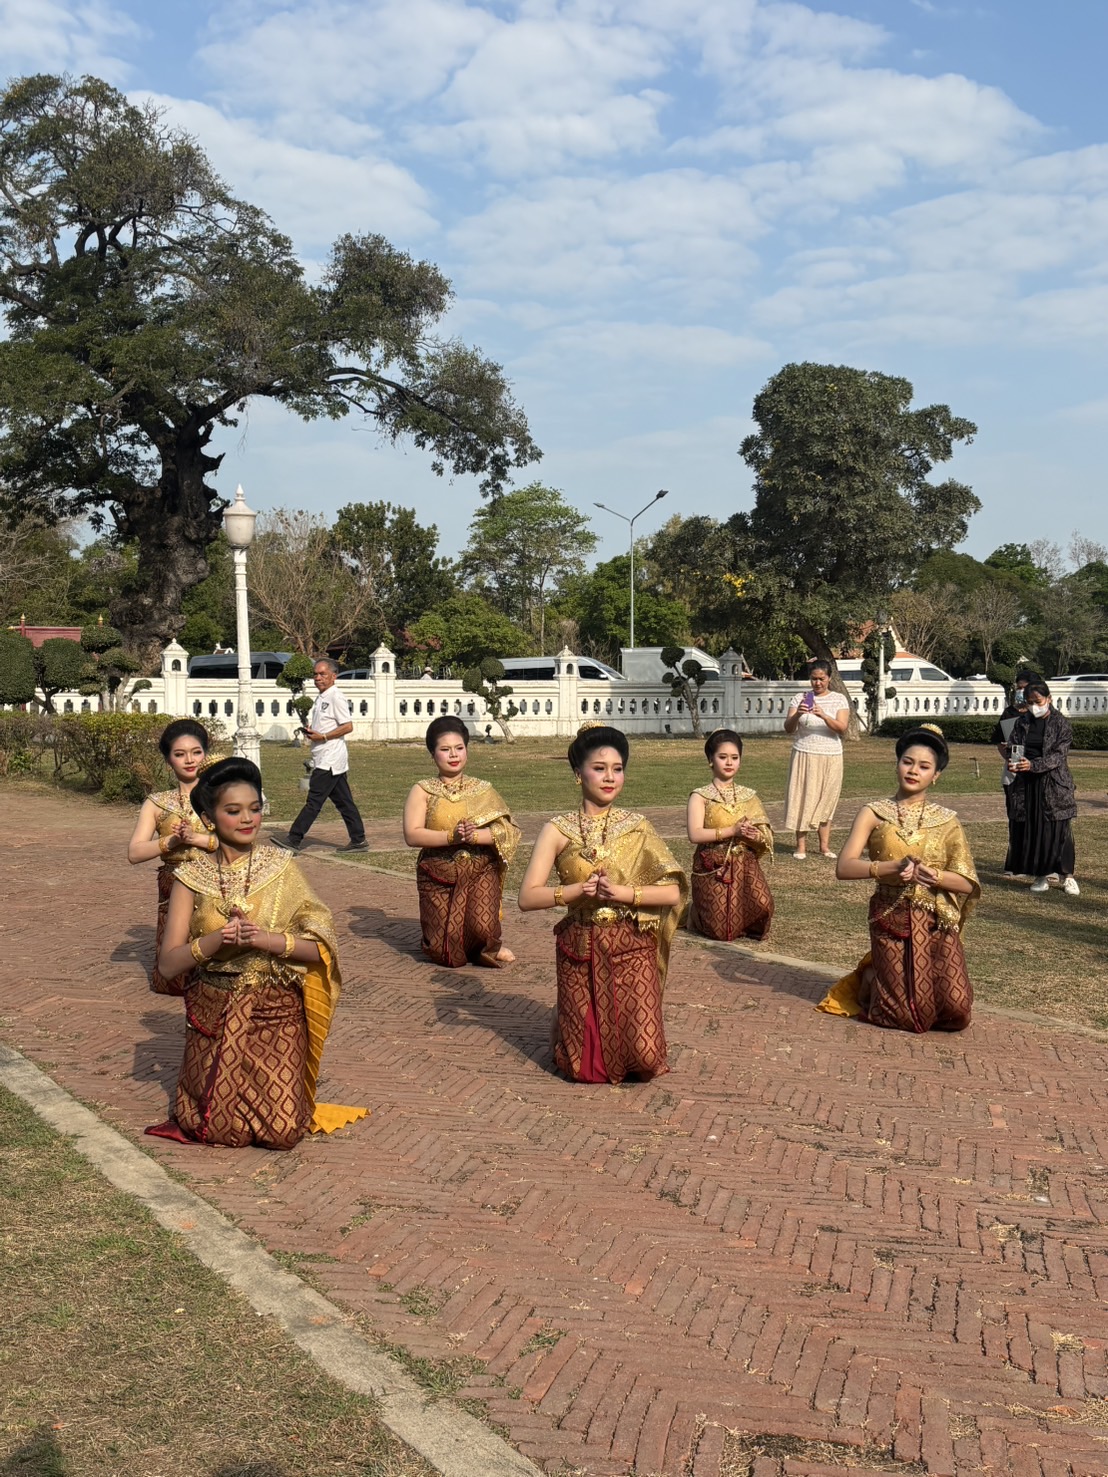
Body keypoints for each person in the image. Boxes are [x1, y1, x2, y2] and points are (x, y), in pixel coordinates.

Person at [149, 757, 366, 1148]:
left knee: (282, 1132)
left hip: (275, 1013)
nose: (248, 819)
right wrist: (216, 943)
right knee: (215, 1128)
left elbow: (321, 949)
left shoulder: (282, 867)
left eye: (255, 808)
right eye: (233, 811)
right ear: (209, 818)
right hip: (213, 1011)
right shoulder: (190, 877)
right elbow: (167, 965)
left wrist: (264, 940)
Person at [518, 724, 687, 1083]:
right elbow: (527, 897)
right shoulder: (558, 830)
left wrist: (623, 894)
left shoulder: (638, 827)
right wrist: (577, 891)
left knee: (644, 1060)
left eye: (618, 768)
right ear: (578, 774)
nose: (610, 777)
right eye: (599, 768)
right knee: (583, 1069)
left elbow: (673, 893)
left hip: (631, 946)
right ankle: (565, 1015)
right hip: (580, 943)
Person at [819, 725, 979, 1033]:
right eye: (908, 761)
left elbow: (967, 884)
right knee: (908, 1016)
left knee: (956, 1012)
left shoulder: (947, 821)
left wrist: (934, 876)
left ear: (936, 776)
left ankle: (884, 977)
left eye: (924, 766)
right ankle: (870, 979)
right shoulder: (874, 813)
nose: (913, 770)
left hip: (936, 923)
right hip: (890, 917)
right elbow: (844, 867)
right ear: (897, 764)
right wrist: (890, 868)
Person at [403, 716, 521, 967]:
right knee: (442, 950)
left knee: (481, 928)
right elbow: (412, 835)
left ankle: (490, 944)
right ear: (432, 754)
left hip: (480, 869)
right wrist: (451, 837)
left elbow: (508, 831)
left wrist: (475, 836)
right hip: (437, 871)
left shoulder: (483, 789)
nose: (453, 755)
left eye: (459, 748)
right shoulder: (423, 790)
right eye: (445, 750)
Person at [127, 719, 217, 994]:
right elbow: (135, 852)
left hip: (216, 882)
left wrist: (198, 839)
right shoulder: (156, 803)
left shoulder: (221, 796)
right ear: (169, 761)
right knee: (172, 981)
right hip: (174, 882)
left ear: (206, 753)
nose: (189, 760)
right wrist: (172, 841)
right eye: (179, 754)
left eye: (196, 752)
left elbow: (240, 843)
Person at [686, 729, 774, 941]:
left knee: (764, 907)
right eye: (722, 757)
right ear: (710, 760)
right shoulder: (700, 796)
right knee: (721, 931)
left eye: (734, 758)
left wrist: (755, 835)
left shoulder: (749, 796)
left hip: (745, 864)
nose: (729, 763)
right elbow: (695, 834)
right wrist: (731, 831)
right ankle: (694, 912)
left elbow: (766, 835)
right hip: (712, 866)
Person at [282, 657, 367, 852]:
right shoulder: (322, 697)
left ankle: (293, 840)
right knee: (345, 803)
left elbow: (348, 726)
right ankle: (359, 840)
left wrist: (324, 736)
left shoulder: (336, 696)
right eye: (315, 674)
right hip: (324, 757)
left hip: (330, 759)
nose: (318, 678)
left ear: (333, 676)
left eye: (323, 674)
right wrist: (314, 731)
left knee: (314, 802)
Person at [1004, 681, 1079, 895]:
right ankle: (1041, 875)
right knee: (1034, 829)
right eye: (1029, 703)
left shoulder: (1060, 723)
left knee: (1058, 829)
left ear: (1048, 699)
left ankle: (1067, 876)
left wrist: (1034, 765)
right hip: (1027, 784)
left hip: (1054, 783)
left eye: (1037, 702)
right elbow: (1014, 745)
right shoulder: (1022, 722)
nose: (1034, 707)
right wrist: (1014, 760)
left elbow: (1058, 755)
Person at [782, 661, 851, 859]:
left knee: (826, 799)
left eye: (821, 678)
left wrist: (823, 715)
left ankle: (824, 846)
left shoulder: (839, 699)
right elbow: (788, 728)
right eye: (814, 678)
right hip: (804, 753)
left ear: (829, 678)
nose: (818, 683)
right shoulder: (799, 698)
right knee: (803, 797)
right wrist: (799, 714)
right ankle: (800, 846)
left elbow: (842, 727)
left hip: (831, 755)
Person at [991, 670, 1039, 877]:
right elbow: (1000, 743)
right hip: (1013, 772)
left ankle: (1039, 864)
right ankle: (1016, 864)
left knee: (1037, 819)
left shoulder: (1041, 714)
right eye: (1018, 687)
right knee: (1016, 817)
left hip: (1038, 772)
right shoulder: (1009, 713)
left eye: (1024, 687)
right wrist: (1009, 757)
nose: (1020, 691)